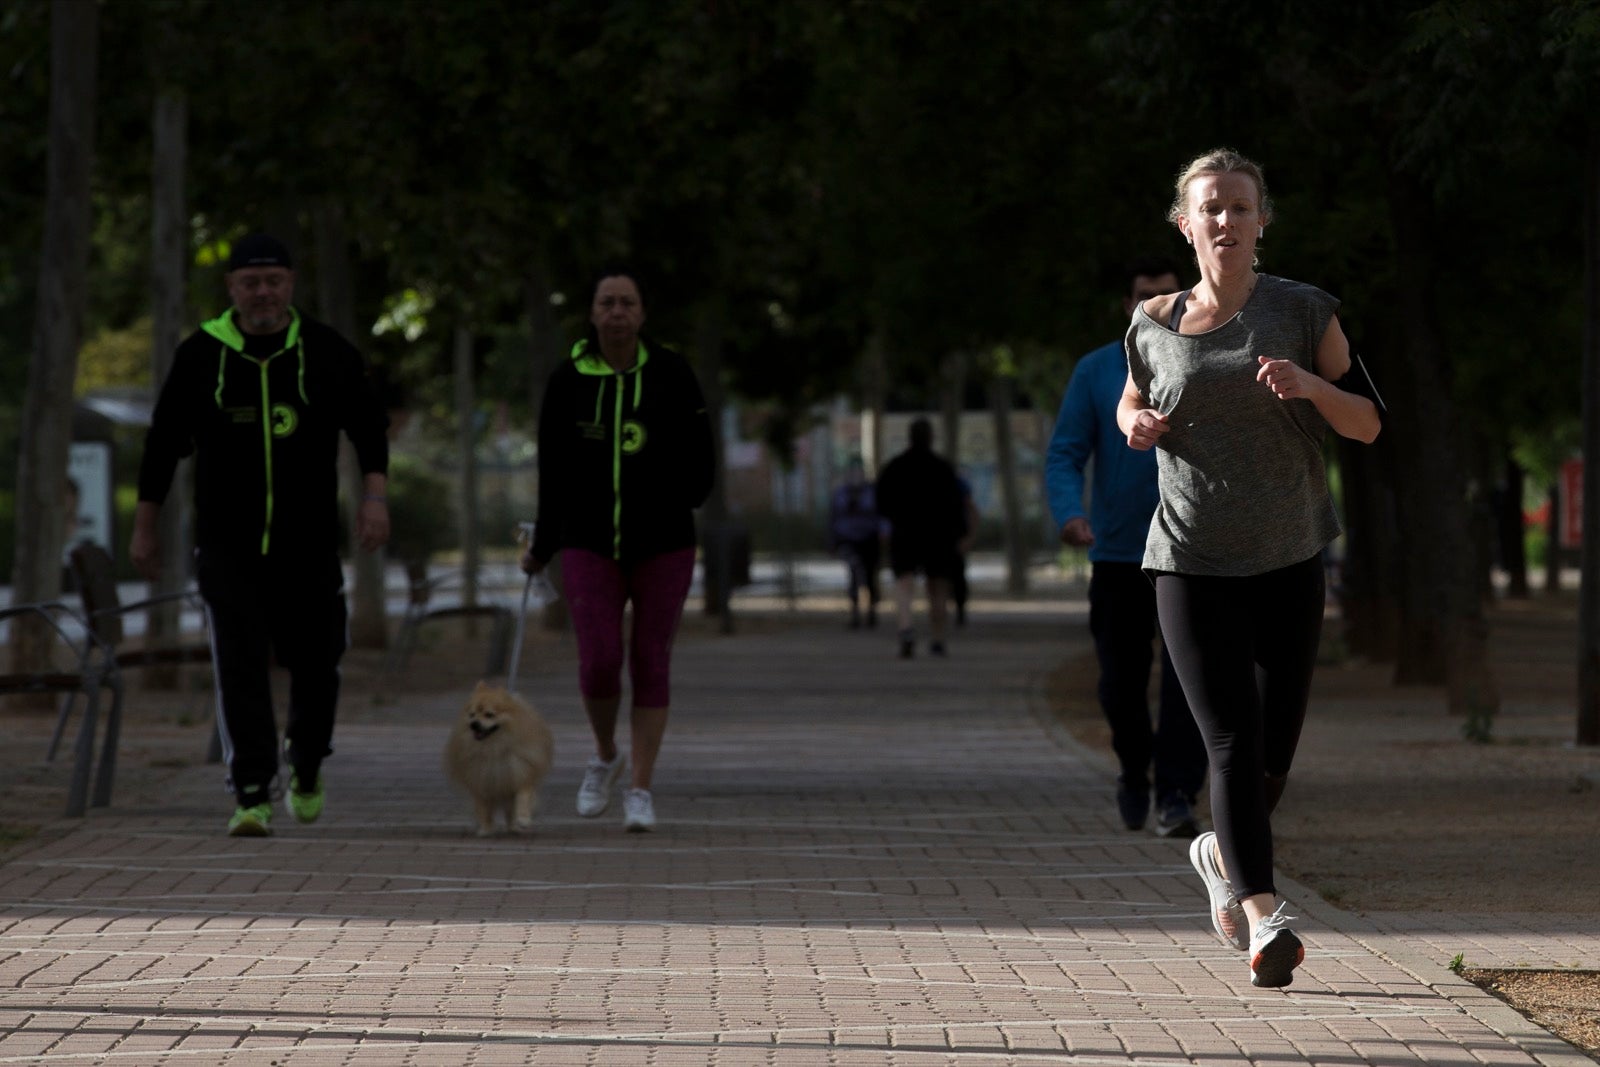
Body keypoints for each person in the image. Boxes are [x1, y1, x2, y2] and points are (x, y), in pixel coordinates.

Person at [1117, 149, 1383, 988]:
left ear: (1263, 220)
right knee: (1230, 742)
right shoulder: (1152, 320)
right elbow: (1133, 393)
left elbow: (1371, 424)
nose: (1225, 220)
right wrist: (1135, 422)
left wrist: (1309, 385)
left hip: (1291, 554)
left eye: (1240, 207)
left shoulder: (1305, 311)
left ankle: (1217, 853)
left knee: (1272, 758)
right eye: (1211, 208)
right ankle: (1269, 920)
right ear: (1184, 223)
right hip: (1190, 558)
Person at [131, 233, 391, 838]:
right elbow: (163, 443)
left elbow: (368, 427)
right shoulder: (201, 356)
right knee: (240, 664)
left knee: (319, 658)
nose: (263, 292)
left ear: (291, 284)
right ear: (232, 289)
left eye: (274, 280)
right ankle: (250, 792)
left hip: (308, 543)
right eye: (251, 282)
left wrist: (374, 499)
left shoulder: (326, 352)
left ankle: (305, 761)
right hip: (228, 544)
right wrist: (146, 526)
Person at [520, 266, 715, 832]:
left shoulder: (672, 373)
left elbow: (701, 454)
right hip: (589, 541)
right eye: (607, 302)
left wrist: (683, 495)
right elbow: (552, 469)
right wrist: (542, 543)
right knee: (600, 658)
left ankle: (640, 787)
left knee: (651, 660)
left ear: (643, 313)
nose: (617, 312)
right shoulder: (568, 380)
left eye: (627, 303)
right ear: (592, 313)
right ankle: (605, 753)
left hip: (664, 543)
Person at [1046, 258, 1207, 840]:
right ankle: (1134, 771)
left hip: (1196, 553)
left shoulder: (1210, 358)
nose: (1158, 304)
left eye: (1170, 294)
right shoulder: (1096, 371)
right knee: (1120, 682)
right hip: (1118, 554)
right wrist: (1070, 513)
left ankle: (1177, 794)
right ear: (1128, 305)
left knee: (1193, 680)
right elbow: (1066, 451)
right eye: (1146, 296)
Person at [874, 417, 967, 659]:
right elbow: (957, 505)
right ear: (931, 437)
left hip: (905, 533)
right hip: (938, 536)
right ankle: (937, 639)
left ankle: (906, 629)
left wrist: (893, 521)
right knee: (937, 587)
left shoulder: (895, 467)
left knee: (904, 584)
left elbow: (880, 501)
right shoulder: (942, 468)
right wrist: (960, 535)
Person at [827, 456, 882, 629]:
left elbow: (880, 516)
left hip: (870, 540)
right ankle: (855, 612)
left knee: (870, 576)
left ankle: (871, 610)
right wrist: (832, 540)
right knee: (854, 574)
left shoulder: (872, 491)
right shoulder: (841, 493)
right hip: (849, 540)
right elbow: (833, 518)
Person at [949, 469, 979, 626]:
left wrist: (969, 537)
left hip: (957, 539)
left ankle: (959, 608)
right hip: (941, 540)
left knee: (957, 577)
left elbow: (972, 510)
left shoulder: (958, 486)